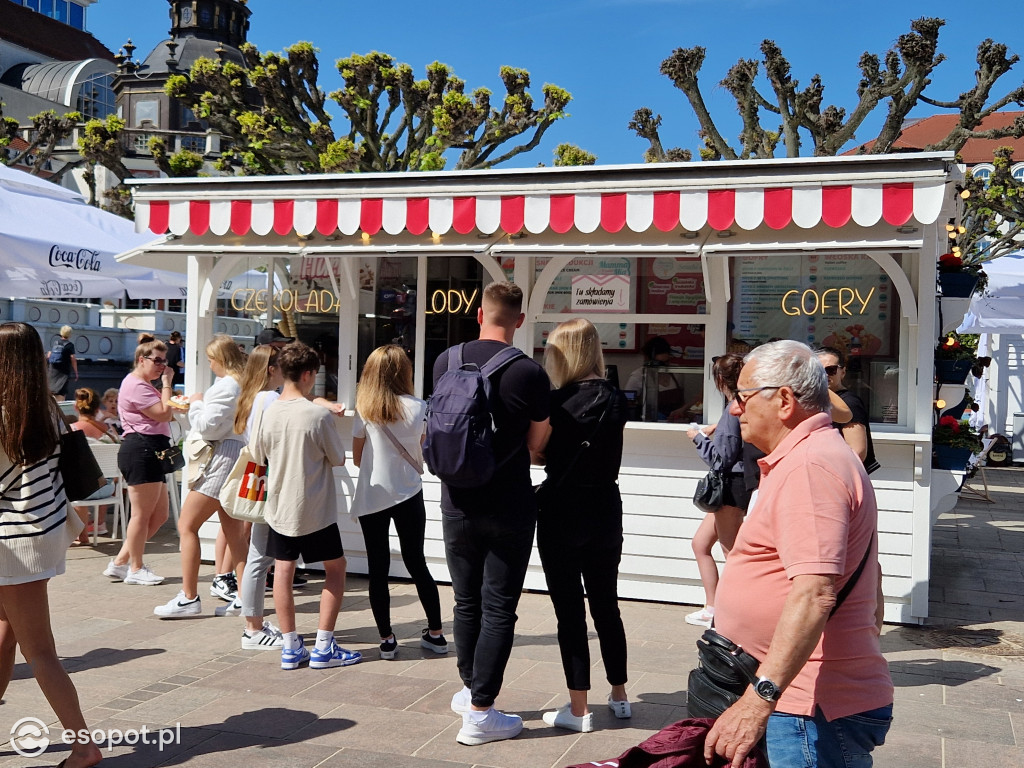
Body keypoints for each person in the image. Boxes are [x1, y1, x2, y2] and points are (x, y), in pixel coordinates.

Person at [705, 340, 892, 768]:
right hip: (802, 699)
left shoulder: (810, 465)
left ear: (784, 400)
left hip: (809, 706)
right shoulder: (804, 457)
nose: (736, 410)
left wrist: (759, 700)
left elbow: (814, 594)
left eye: (743, 397)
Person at [432, 281, 550, 746]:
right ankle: (481, 712)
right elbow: (538, 446)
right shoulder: (528, 373)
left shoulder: (447, 360)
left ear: (479, 314)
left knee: (466, 602)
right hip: (508, 503)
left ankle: (469, 689)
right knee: (499, 606)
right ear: (519, 320)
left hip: (455, 500)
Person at [0, 322, 102, 768]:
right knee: (5, 636)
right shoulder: (44, 406)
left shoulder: (6, 412)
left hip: (13, 542)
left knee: (39, 651)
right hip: (41, 533)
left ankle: (83, 746)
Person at [534, 318, 630, 734]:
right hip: (605, 505)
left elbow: (536, 454)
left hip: (561, 507)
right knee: (606, 604)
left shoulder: (555, 403)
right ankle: (620, 695)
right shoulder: (617, 398)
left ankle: (579, 709)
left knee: (569, 611)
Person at [250, 341, 361, 670]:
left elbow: (257, 455)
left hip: (280, 505)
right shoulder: (316, 413)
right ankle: (324, 645)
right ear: (310, 374)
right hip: (315, 506)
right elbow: (338, 457)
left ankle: (290, 645)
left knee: (282, 570)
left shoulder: (269, 411)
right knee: (335, 568)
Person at [351, 345, 446, 660]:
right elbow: (419, 447)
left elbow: (357, 457)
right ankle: (436, 633)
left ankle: (387, 639)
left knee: (377, 568)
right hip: (408, 491)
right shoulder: (419, 407)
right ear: (404, 372)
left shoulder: (364, 409)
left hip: (373, 494)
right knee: (417, 562)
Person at [154, 335, 250, 618]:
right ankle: (246, 598)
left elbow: (208, 428)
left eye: (210, 359)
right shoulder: (241, 383)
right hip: (234, 453)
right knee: (235, 534)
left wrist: (195, 404)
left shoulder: (227, 386)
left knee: (187, 525)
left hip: (221, 457)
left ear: (219, 360)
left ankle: (189, 597)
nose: (209, 364)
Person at [684, 354, 752, 629]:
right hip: (736, 485)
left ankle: (736, 612)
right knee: (700, 544)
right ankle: (713, 607)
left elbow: (721, 459)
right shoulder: (745, 404)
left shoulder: (733, 408)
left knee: (732, 553)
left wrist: (698, 437)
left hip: (731, 488)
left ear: (720, 380)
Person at [102, 333, 175, 586]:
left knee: (160, 514)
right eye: (157, 361)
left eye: (165, 362)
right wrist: (167, 384)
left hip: (151, 448)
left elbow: (164, 414)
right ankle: (136, 567)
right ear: (142, 360)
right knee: (141, 515)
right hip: (141, 448)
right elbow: (164, 414)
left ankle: (121, 562)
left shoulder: (142, 385)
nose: (162, 366)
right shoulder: (136, 385)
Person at [816, 346, 880, 475]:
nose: (825, 375)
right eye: (818, 371)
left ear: (843, 372)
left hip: (840, 478)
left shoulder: (849, 403)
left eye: (831, 370)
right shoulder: (816, 401)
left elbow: (857, 451)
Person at [70, 387, 119, 542]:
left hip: (81, 491)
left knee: (71, 482)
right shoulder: (110, 430)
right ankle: (97, 525)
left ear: (76, 407)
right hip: (107, 489)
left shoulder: (71, 431)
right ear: (98, 408)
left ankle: (80, 534)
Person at [46, 324, 78, 401]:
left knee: (51, 388)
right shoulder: (70, 345)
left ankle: (51, 403)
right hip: (63, 371)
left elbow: (49, 355)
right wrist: (76, 372)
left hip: (53, 369)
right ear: (70, 334)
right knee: (62, 390)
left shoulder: (56, 342)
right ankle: (60, 406)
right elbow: (73, 358)